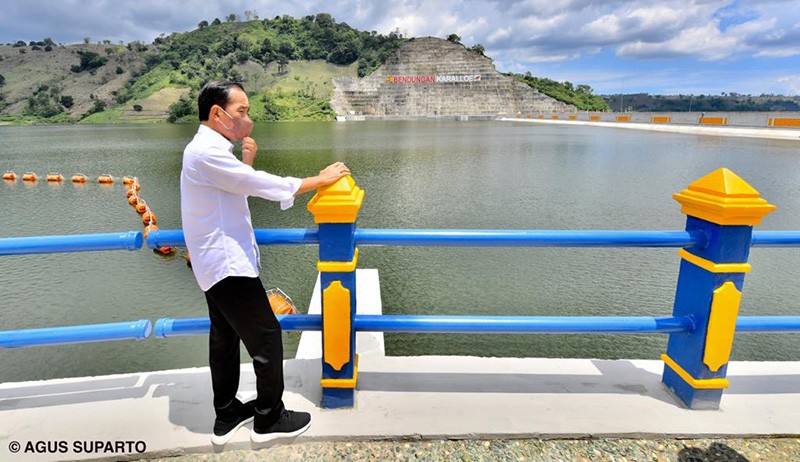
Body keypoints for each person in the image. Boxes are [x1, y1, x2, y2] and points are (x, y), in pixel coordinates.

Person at [181, 80, 351, 445]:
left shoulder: (207, 150)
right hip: (227, 264)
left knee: (224, 338)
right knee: (267, 336)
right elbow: (257, 184)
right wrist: (319, 179)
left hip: (213, 261)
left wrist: (245, 161)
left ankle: (226, 414)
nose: (248, 119)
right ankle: (269, 418)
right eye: (241, 112)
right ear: (217, 114)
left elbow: (233, 186)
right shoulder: (206, 153)